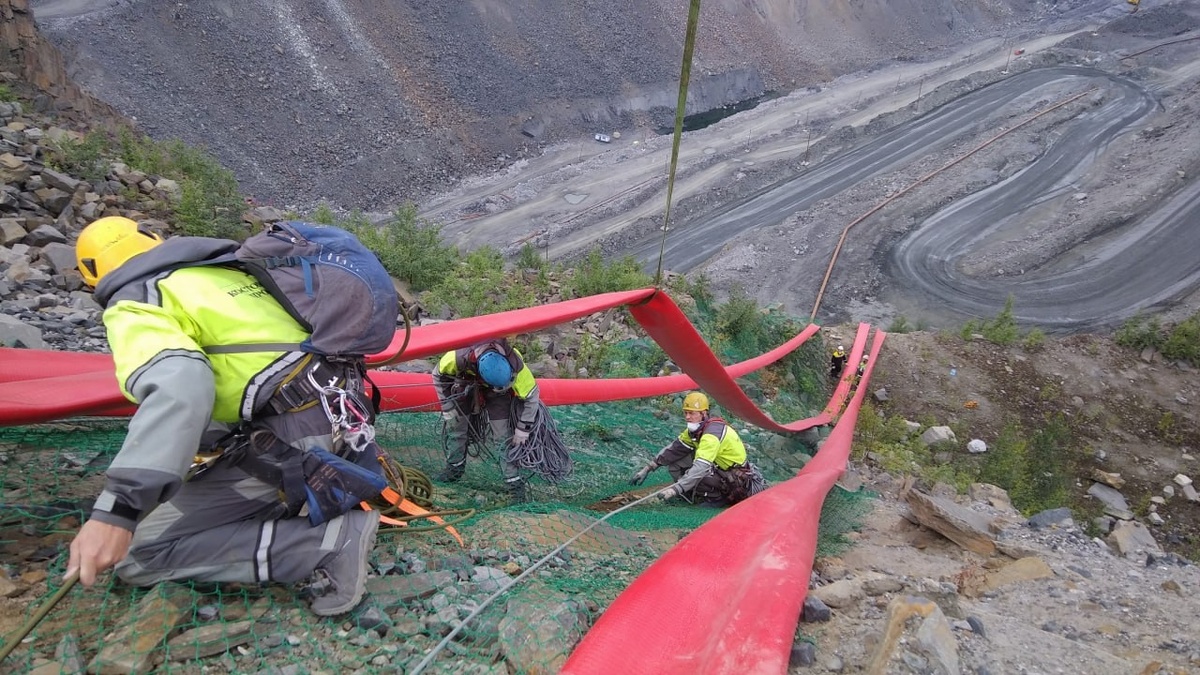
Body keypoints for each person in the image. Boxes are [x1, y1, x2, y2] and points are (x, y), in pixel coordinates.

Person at [65, 216, 382, 617]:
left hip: (292, 441)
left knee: (142, 551)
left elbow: (182, 384)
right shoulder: (221, 272)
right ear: (154, 239)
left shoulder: (137, 299)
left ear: (91, 275)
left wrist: (119, 509)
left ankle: (328, 543)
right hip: (346, 418)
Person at [432, 338, 540, 503]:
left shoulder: (515, 363)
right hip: (466, 383)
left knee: (503, 436)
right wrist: (447, 407)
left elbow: (532, 395)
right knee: (456, 428)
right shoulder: (457, 357)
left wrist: (523, 429)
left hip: (500, 394)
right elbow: (437, 374)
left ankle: (514, 483)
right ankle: (454, 468)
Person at [628, 392, 766, 507]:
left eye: (692, 413)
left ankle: (717, 499)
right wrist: (649, 468)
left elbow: (701, 467)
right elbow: (674, 449)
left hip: (734, 478)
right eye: (686, 413)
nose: (688, 417)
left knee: (699, 474)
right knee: (676, 463)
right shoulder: (696, 431)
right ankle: (688, 493)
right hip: (719, 469)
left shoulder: (712, 434)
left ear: (704, 414)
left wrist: (674, 490)